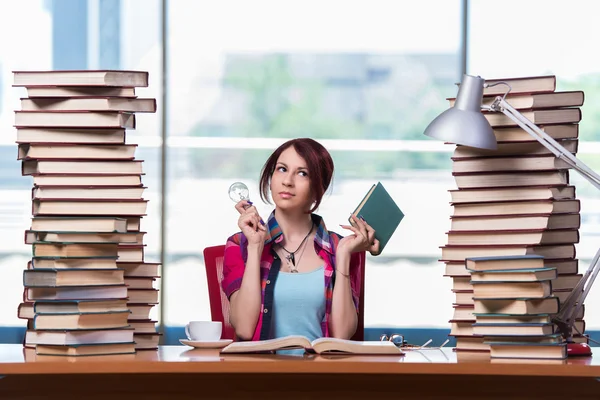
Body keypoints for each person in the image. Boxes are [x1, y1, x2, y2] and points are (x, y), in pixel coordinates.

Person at [221, 138, 379, 344]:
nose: (287, 181)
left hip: (321, 372)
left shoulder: (341, 248)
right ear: (270, 179)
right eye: (281, 169)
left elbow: (342, 336)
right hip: (260, 373)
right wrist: (255, 247)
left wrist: (343, 257)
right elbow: (244, 328)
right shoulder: (239, 244)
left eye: (302, 173)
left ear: (318, 188)